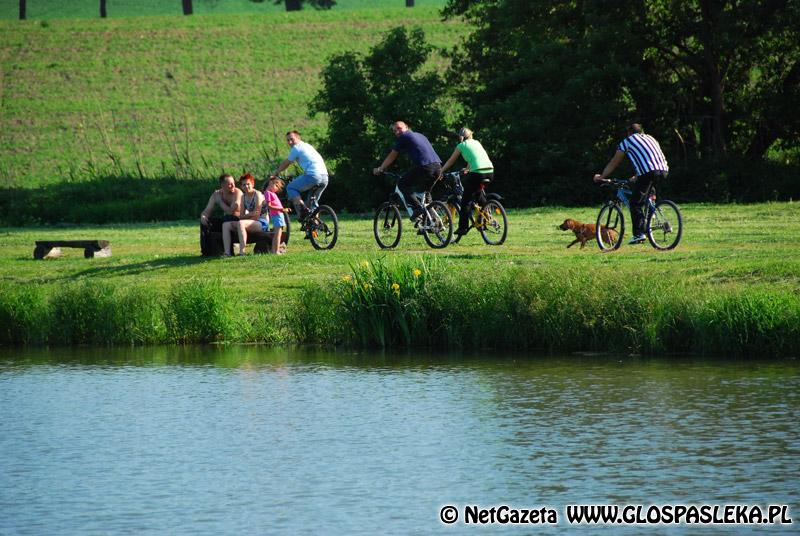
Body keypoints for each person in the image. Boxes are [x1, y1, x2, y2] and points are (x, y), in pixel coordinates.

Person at [593, 123, 669, 244]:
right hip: (663, 170)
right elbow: (650, 157)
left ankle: (639, 234)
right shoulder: (651, 137)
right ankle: (650, 216)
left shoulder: (627, 141)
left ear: (629, 133)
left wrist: (601, 176)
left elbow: (615, 162)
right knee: (645, 192)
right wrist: (638, 176)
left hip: (647, 172)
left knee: (635, 202)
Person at [373, 121, 442, 224]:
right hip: (438, 167)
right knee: (426, 196)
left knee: (402, 183)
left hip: (425, 167)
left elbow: (392, 155)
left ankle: (417, 208)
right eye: (394, 131)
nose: (397, 132)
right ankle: (433, 222)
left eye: (399, 128)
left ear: (407, 127)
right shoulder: (420, 135)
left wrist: (381, 168)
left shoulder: (404, 137)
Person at [441, 127, 494, 237]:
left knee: (466, 201)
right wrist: (467, 168)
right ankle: (486, 217)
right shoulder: (477, 143)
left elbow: (451, 161)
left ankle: (463, 228)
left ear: (460, 137)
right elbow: (475, 158)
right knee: (478, 192)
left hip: (477, 173)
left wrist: (441, 171)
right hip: (490, 171)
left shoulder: (461, 146)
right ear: (471, 135)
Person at [270, 131, 328, 222]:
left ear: (298, 138)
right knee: (313, 203)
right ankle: (315, 225)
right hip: (324, 177)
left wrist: (276, 172)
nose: (290, 142)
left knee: (291, 187)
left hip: (313, 175)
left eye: (292, 139)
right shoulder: (308, 146)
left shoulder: (296, 148)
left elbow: (287, 163)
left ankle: (302, 209)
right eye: (288, 140)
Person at [221, 173, 265, 256]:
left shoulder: (257, 195)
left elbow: (256, 215)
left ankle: (242, 252)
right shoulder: (243, 197)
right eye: (244, 185)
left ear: (253, 184)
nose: (246, 186)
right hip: (248, 222)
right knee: (226, 225)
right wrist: (248, 215)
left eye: (248, 184)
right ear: (241, 186)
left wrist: (245, 217)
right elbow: (241, 216)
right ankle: (227, 253)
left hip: (261, 223)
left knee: (241, 223)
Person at [199, 173, 242, 256]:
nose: (233, 185)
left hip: (238, 220)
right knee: (205, 222)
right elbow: (207, 210)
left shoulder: (237, 193)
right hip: (226, 220)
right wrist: (203, 216)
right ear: (222, 185)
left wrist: (220, 201)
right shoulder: (216, 194)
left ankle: (229, 251)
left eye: (233, 183)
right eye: (230, 184)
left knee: (228, 217)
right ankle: (206, 252)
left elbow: (231, 212)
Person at [264, 177, 287, 255]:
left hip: (278, 215)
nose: (277, 188)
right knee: (278, 234)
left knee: (278, 234)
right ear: (270, 183)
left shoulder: (272, 193)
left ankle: (274, 250)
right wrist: (280, 209)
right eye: (276, 185)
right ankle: (276, 251)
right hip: (277, 215)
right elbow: (269, 206)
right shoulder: (268, 193)